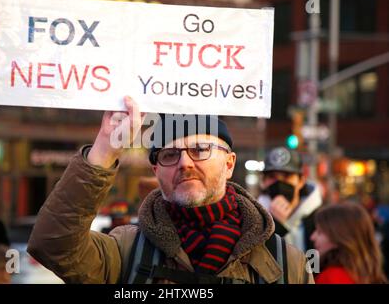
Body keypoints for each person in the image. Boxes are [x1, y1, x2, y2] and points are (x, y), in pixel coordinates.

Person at [28, 96, 313, 284]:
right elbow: (53, 246)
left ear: (229, 164)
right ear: (156, 171)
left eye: (200, 149)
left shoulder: (287, 263)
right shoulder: (124, 251)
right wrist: (105, 147)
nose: (185, 163)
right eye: (169, 155)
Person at [258, 147, 322, 252]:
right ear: (264, 182)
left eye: (287, 176)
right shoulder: (254, 219)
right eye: (272, 176)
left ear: (301, 181)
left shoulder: (319, 219)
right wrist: (275, 226)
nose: (279, 182)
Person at [310, 202, 387, 284]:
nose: (312, 237)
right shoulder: (369, 275)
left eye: (320, 232)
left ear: (339, 236)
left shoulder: (331, 277)